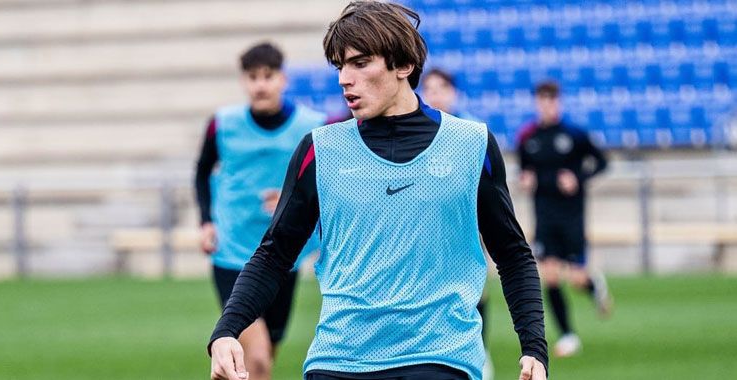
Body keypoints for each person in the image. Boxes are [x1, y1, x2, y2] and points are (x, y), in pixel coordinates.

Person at [208, 2, 548, 380]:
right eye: (340, 66)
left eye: (359, 63)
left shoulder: (471, 144)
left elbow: (513, 255)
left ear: (403, 65)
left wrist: (534, 347)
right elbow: (275, 254)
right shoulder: (319, 150)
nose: (344, 79)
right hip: (338, 362)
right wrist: (226, 331)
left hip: (440, 359)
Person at [195, 42, 327, 380]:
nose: (260, 84)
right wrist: (206, 221)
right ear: (244, 81)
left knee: (268, 350)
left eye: (268, 76)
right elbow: (202, 170)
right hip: (234, 251)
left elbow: (326, 180)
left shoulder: (313, 127)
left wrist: (291, 196)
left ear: (282, 79)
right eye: (252, 77)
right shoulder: (222, 124)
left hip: (283, 253)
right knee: (257, 360)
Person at [517, 81, 612, 358]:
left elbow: (602, 163)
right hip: (544, 215)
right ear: (537, 103)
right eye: (541, 100)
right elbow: (525, 169)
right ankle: (568, 335)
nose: (546, 105)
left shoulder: (575, 135)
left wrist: (578, 179)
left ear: (558, 103)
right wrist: (526, 178)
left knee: (575, 277)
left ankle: (594, 285)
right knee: (550, 276)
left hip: (571, 215)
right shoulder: (528, 137)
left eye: (551, 100)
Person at [422, 67, 493, 380]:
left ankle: (478, 349)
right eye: (430, 88)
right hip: (428, 227)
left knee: (475, 290)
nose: (436, 94)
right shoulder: (417, 131)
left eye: (442, 88)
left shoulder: (471, 132)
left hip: (466, 224)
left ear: (453, 92)